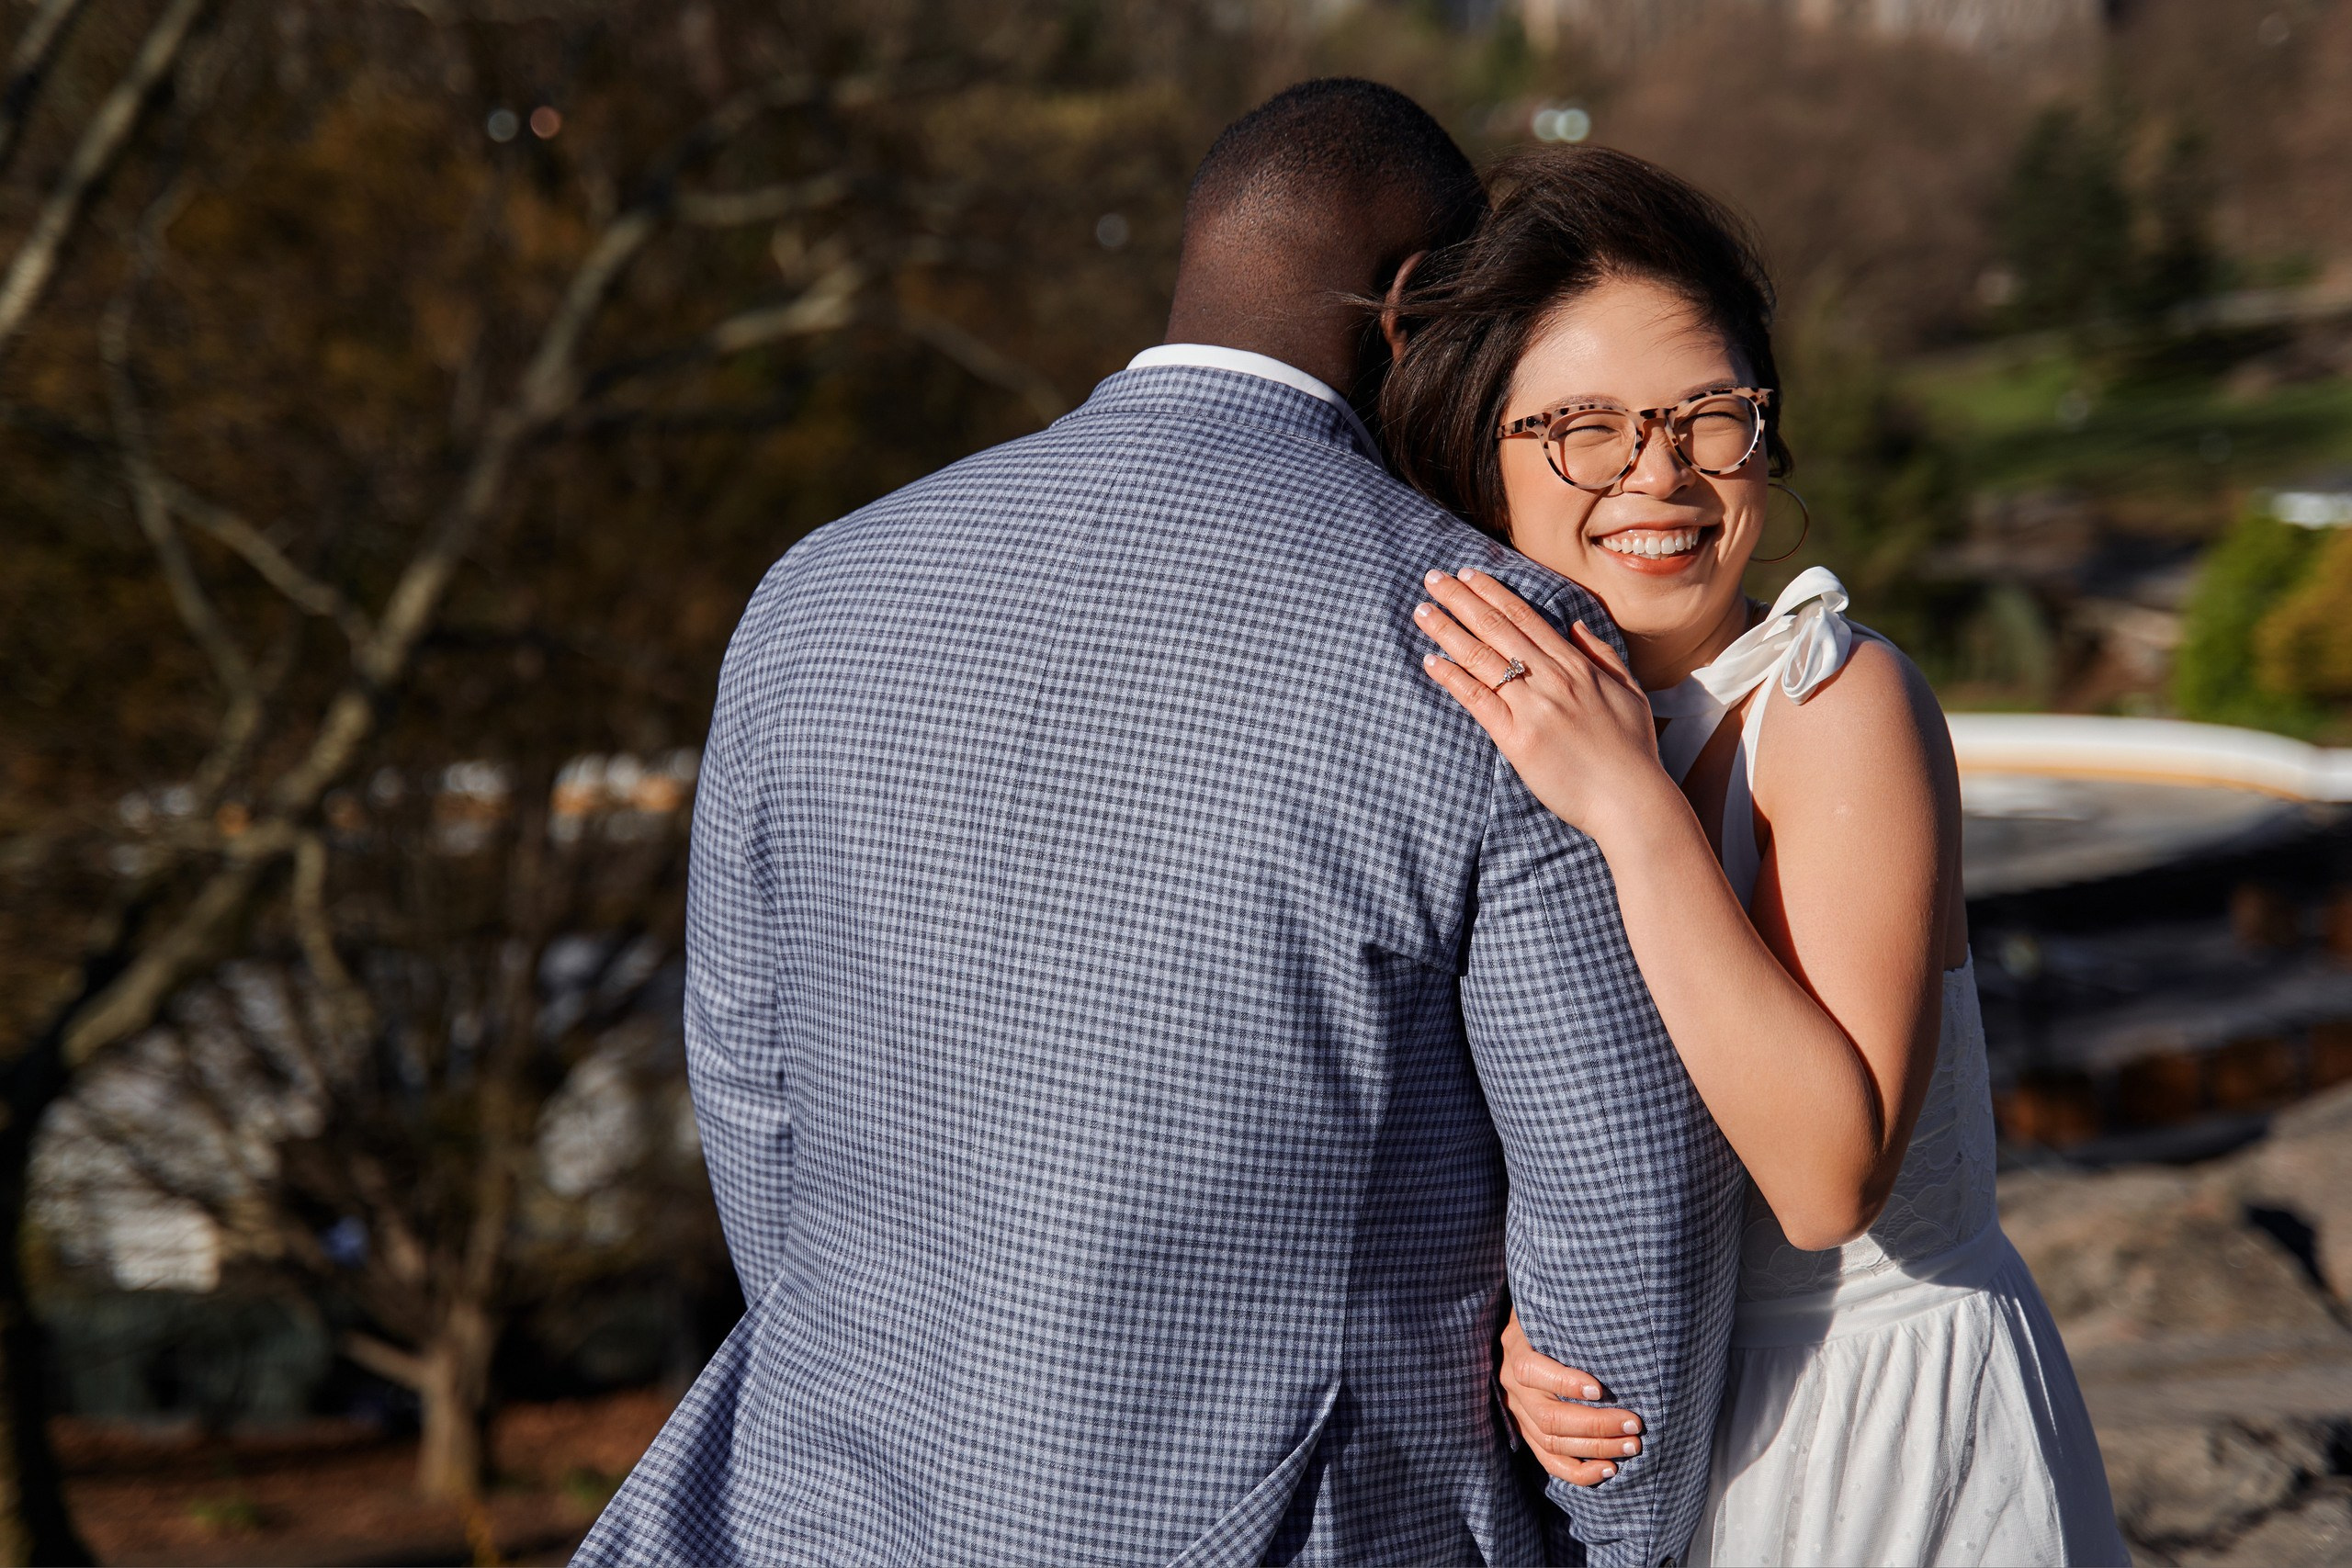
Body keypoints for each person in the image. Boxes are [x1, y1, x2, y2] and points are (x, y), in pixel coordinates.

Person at [572, 84, 1742, 1567]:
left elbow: (752, 1090)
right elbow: (1624, 1214)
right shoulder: (1500, 650)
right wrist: (1612, 1544)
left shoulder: (818, 591)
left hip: (843, 1507)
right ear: (1405, 314)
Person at [1389, 147, 2128, 1566]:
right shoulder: (1508, 722)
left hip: (1887, 1434)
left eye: (1706, 416)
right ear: (1485, 457)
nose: (1657, 472)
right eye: (1585, 428)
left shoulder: (1840, 703)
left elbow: (1827, 1176)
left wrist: (1632, 804)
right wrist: (1513, 1330)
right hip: (1677, 1442)